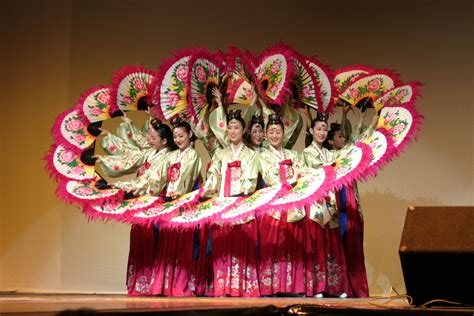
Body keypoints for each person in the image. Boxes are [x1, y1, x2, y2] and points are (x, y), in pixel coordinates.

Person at [94, 114, 175, 296]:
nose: (149, 140)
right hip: (141, 201)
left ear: (164, 141)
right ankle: (141, 283)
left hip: (156, 202)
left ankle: (156, 284)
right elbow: (129, 158)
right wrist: (105, 155)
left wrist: (119, 185)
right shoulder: (149, 153)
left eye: (153, 138)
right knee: (140, 240)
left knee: (154, 242)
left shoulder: (167, 158)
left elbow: (149, 183)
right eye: (149, 136)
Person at [203, 109, 260, 297]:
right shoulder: (221, 154)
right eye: (230, 127)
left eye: (236, 127)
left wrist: (241, 194)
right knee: (223, 247)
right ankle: (223, 286)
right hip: (223, 203)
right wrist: (207, 190)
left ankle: (243, 286)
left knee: (242, 246)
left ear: (244, 130)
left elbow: (251, 179)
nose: (233, 131)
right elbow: (214, 176)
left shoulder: (252, 154)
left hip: (242, 203)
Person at [324, 106, 379, 297]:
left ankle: (355, 287)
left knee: (352, 243)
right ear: (330, 141)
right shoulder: (328, 155)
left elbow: (358, 139)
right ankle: (338, 287)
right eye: (339, 136)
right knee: (336, 245)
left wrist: (367, 120)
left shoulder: (350, 152)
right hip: (335, 202)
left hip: (349, 200)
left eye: (342, 136)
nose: (343, 138)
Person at [149, 117, 203, 297]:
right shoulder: (170, 156)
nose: (178, 139)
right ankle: (164, 285)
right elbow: (158, 177)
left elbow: (186, 179)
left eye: (181, 136)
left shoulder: (193, 155)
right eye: (175, 136)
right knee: (167, 246)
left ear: (190, 135)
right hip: (169, 202)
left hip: (184, 204)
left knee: (183, 247)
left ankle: (181, 285)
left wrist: (176, 198)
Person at [257, 114, 309, 296]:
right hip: (274, 205)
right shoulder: (262, 156)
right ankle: (271, 286)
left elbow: (302, 172)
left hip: (294, 203)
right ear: (265, 135)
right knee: (274, 244)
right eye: (270, 132)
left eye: (277, 131)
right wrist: (287, 184)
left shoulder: (294, 154)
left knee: (293, 244)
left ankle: (294, 287)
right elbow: (269, 176)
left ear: (283, 133)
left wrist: (297, 182)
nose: (274, 135)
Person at [303, 112, 351, 298]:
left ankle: (335, 287)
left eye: (324, 129)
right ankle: (317, 286)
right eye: (318, 128)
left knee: (332, 243)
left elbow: (344, 155)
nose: (322, 132)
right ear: (311, 130)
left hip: (330, 202)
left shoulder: (330, 153)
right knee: (317, 244)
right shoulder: (307, 153)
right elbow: (311, 173)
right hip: (315, 202)